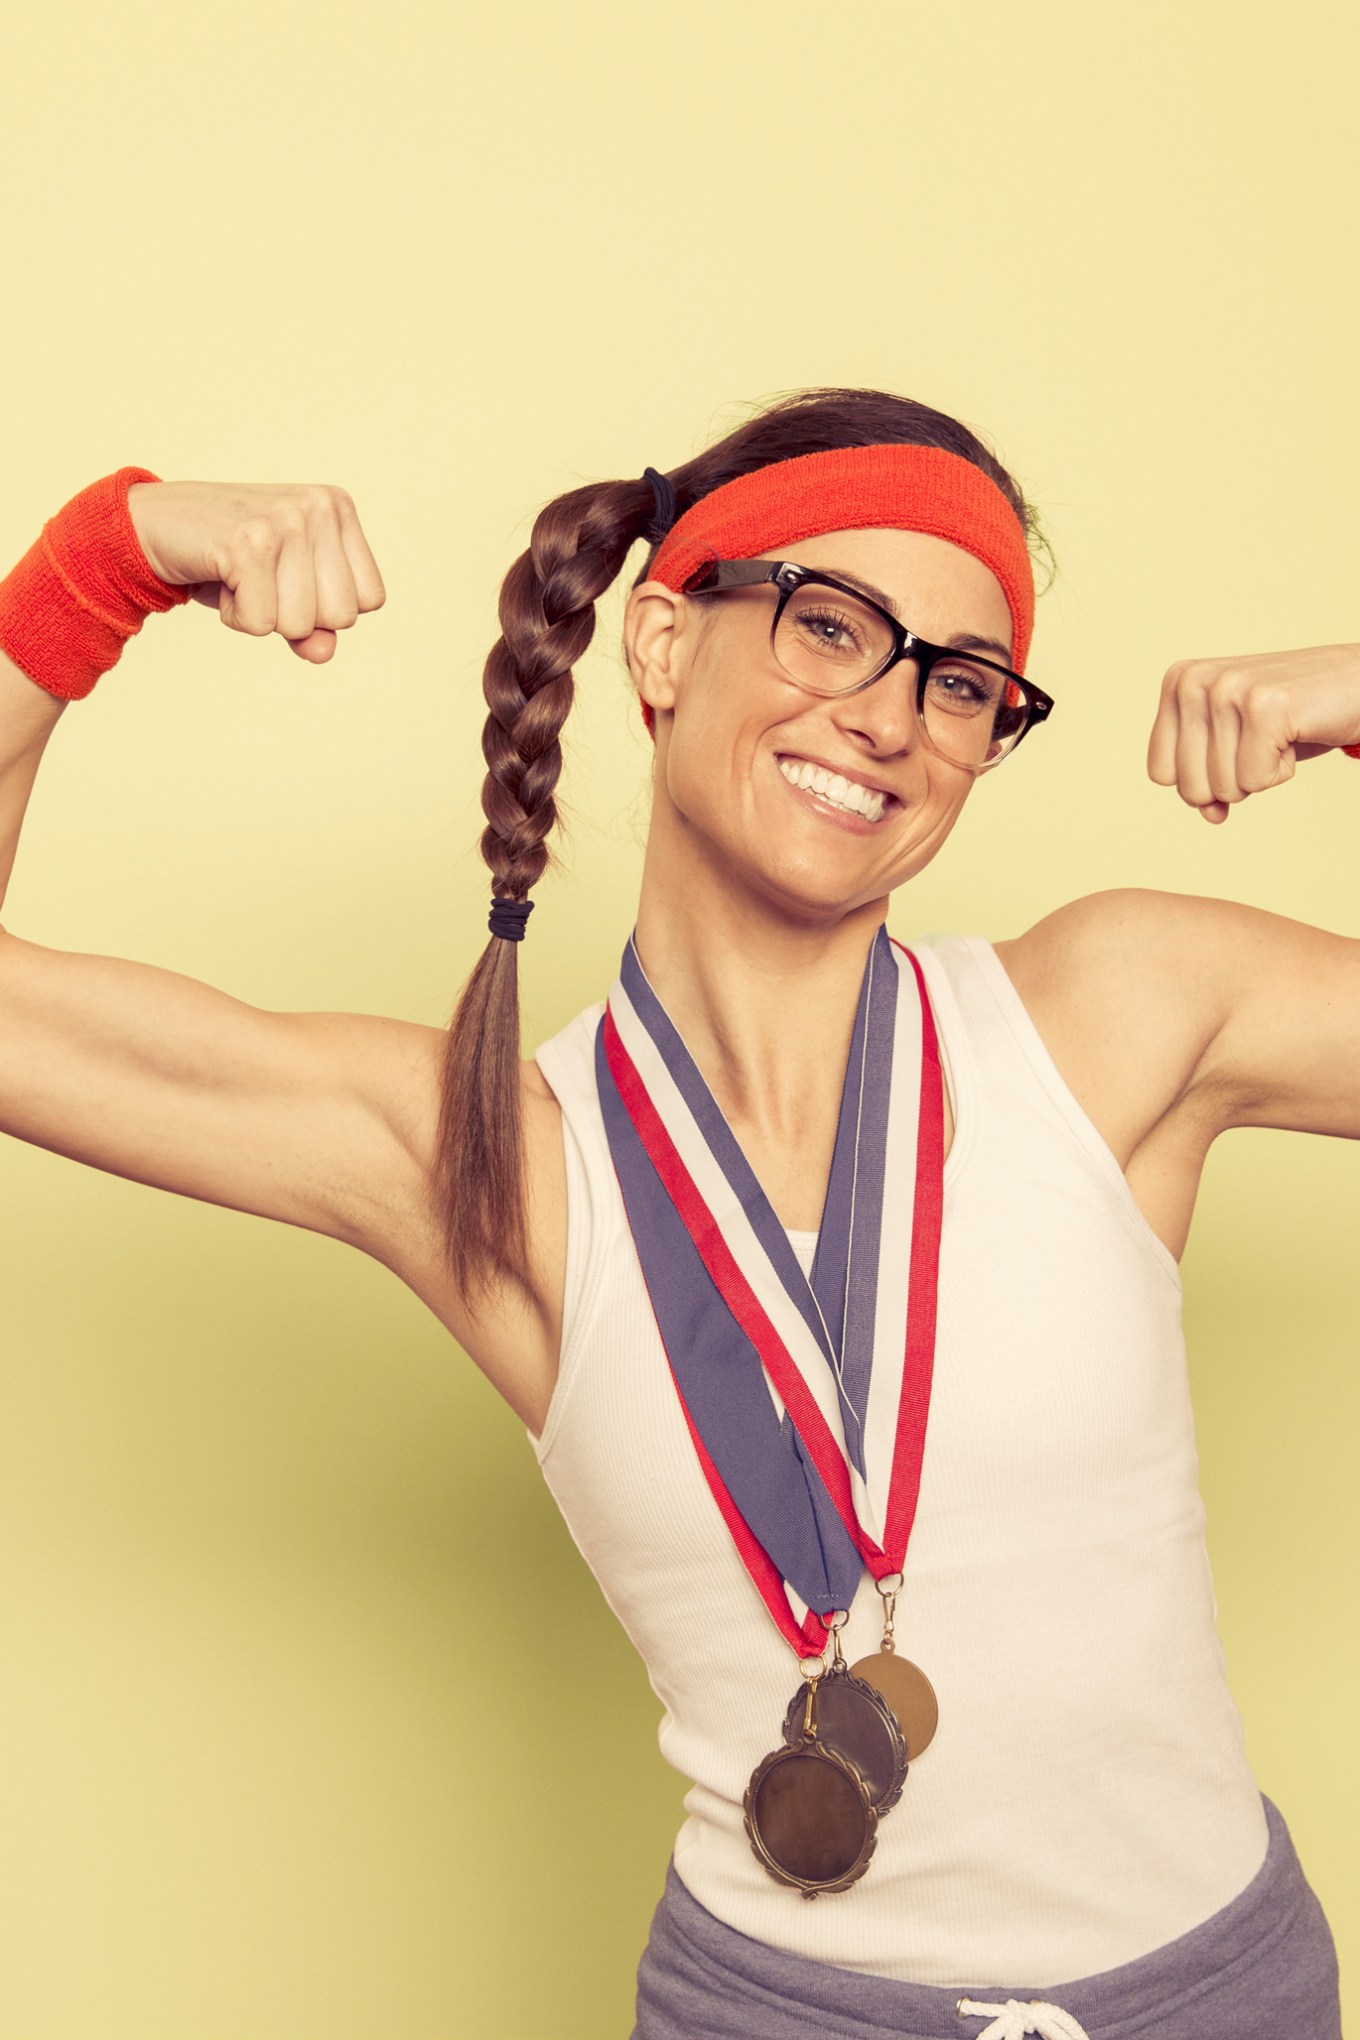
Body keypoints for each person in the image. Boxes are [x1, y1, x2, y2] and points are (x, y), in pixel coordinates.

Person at [0, 388, 1349, 2040]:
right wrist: (101, 561)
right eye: (830, 624)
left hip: (1221, 1995)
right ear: (658, 643)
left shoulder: (1126, 1011)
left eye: (964, 683)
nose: (890, 717)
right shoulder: (489, 1156)